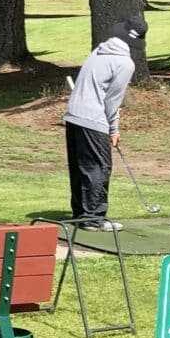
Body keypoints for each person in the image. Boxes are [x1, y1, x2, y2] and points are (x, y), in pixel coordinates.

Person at [63, 16, 148, 231]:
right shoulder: (125, 63)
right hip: (93, 119)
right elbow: (112, 100)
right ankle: (93, 218)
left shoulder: (98, 52)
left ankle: (81, 214)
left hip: (73, 116)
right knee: (99, 167)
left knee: (81, 167)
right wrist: (113, 128)